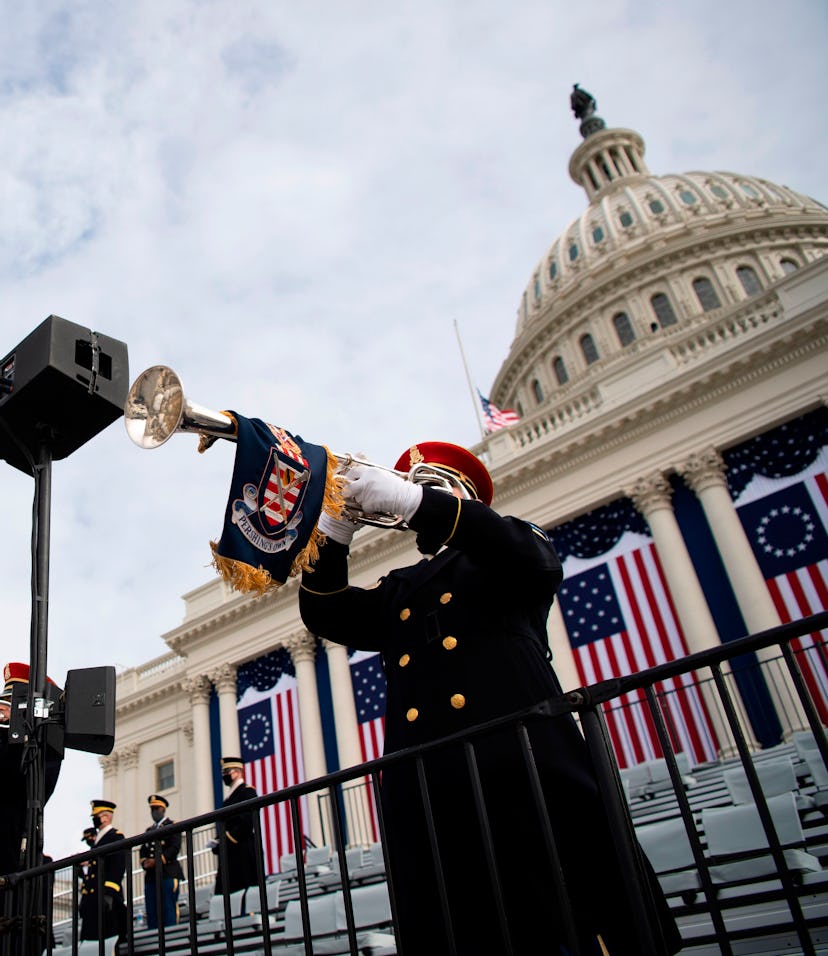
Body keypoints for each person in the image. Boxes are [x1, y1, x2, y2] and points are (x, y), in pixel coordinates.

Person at [299, 442, 682, 956]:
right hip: (430, 783)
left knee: (560, 917)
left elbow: (532, 561)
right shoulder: (399, 588)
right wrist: (336, 527)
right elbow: (329, 614)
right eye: (414, 484)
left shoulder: (509, 549)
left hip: (522, 766)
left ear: (468, 499)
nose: (419, 492)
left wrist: (418, 504)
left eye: (434, 485)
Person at [80, 800, 127, 944]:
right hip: (93, 898)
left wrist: (109, 892)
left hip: (106, 896)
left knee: (107, 940)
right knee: (91, 941)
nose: (94, 819)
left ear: (106, 817)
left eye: (97, 815)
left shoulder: (115, 836)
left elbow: (117, 866)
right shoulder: (98, 840)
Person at [211, 757, 260, 895]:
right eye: (223, 772)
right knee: (226, 895)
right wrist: (218, 842)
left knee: (244, 892)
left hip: (242, 850)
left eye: (227, 771)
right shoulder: (228, 798)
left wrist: (226, 838)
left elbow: (247, 822)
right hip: (229, 853)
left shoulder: (247, 792)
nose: (224, 775)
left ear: (238, 772)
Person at [139, 794, 184, 929]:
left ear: (163, 809)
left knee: (168, 908)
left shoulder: (172, 825)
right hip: (151, 877)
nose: (154, 812)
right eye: (152, 809)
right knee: (152, 911)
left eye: (157, 808)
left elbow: (174, 847)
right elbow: (143, 850)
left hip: (167, 873)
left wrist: (157, 861)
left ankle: (171, 939)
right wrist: (144, 862)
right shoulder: (149, 830)